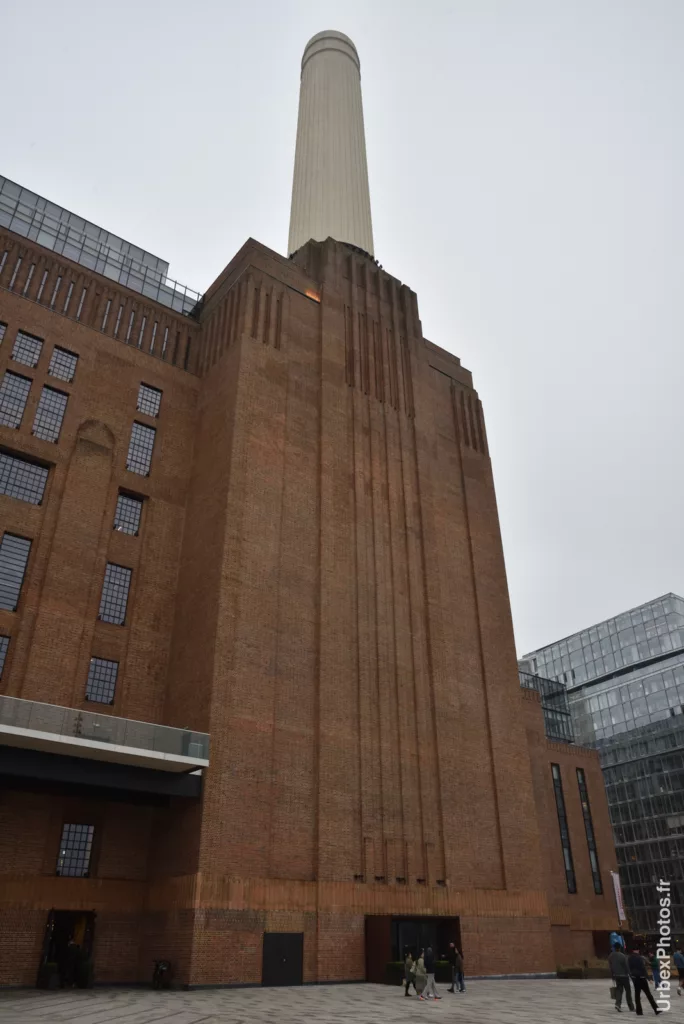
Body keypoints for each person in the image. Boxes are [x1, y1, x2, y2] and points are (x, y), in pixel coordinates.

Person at [628, 948, 661, 1016]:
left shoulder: (629, 958)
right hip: (642, 978)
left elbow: (629, 968)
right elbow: (643, 969)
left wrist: (632, 976)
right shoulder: (640, 958)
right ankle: (656, 1009)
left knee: (637, 995)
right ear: (638, 950)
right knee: (648, 994)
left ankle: (639, 1011)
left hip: (635, 978)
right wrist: (649, 978)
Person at [609, 942, 634, 1013]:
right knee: (628, 991)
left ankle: (618, 1004)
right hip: (624, 976)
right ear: (620, 948)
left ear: (614, 948)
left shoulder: (610, 956)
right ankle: (631, 1007)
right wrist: (631, 975)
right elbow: (627, 967)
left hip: (616, 976)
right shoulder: (623, 956)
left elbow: (610, 967)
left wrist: (612, 976)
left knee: (619, 990)